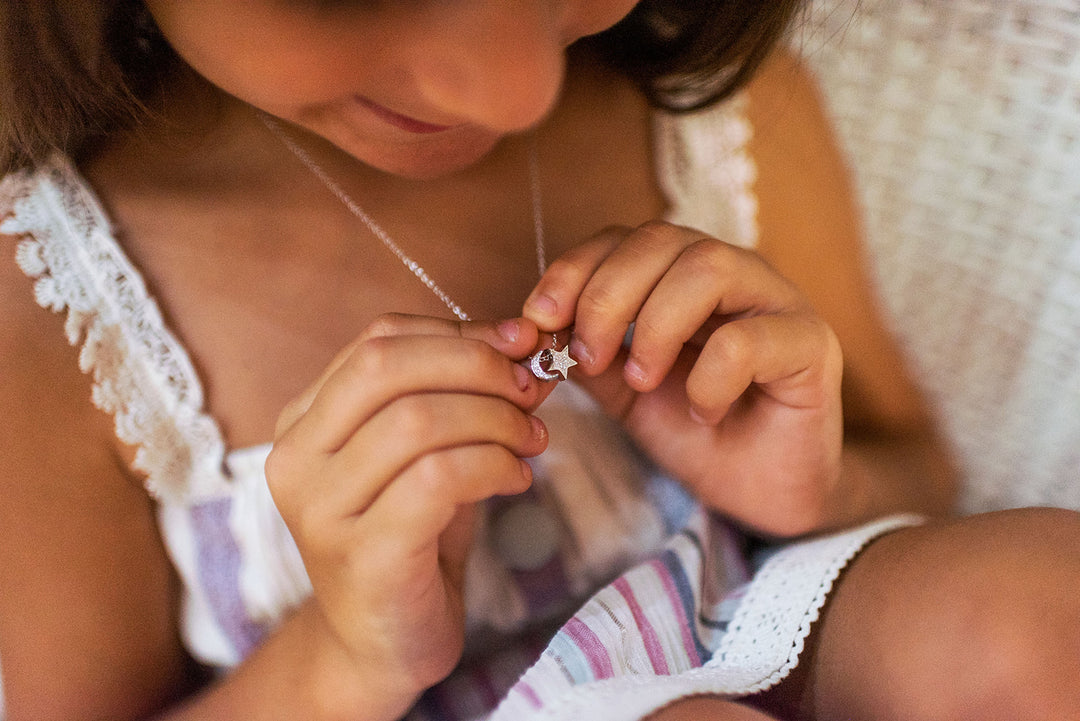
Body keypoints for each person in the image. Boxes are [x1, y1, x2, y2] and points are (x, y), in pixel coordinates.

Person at [0, 2, 1076, 720]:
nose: (513, 88)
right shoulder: (59, 301)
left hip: (759, 626)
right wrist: (346, 649)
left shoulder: (713, 127)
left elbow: (924, 473)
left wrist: (817, 487)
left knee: (1042, 606)